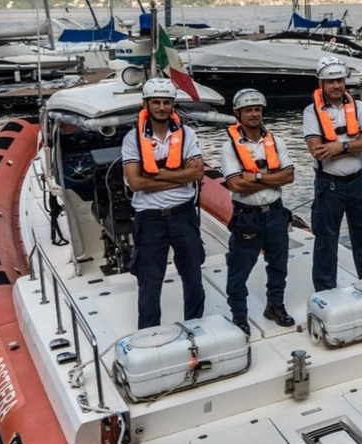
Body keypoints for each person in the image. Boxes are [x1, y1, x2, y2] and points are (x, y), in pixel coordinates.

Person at [121, 78, 206, 330]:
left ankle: (196, 325)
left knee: (192, 273)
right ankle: (149, 331)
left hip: (183, 215)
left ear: (173, 105)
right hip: (150, 218)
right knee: (149, 279)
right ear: (146, 104)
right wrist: (179, 176)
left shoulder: (187, 134)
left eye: (166, 102)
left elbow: (197, 174)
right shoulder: (132, 139)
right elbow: (135, 182)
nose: (161, 107)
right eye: (156, 102)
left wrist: (155, 174)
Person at [221, 88, 296, 335]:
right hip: (247, 216)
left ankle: (275, 306)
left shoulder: (277, 142)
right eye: (248, 110)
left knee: (279, 264)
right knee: (239, 268)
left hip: (275, 212)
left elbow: (289, 175)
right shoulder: (229, 147)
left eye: (257, 109)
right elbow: (235, 184)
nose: (254, 114)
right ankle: (239, 315)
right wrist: (272, 178)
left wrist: (254, 176)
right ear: (238, 113)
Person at [304, 56, 362, 291]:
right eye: (330, 82)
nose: (336, 86)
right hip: (330, 187)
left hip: (357, 183)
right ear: (321, 85)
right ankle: (326, 292)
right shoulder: (311, 113)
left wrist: (341, 146)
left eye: (339, 80)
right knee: (326, 242)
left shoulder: (358, 107)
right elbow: (318, 151)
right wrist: (357, 142)